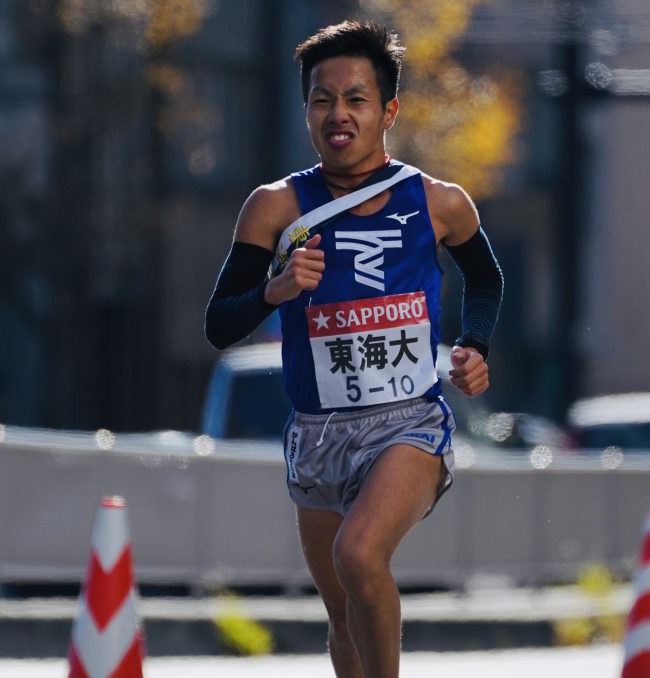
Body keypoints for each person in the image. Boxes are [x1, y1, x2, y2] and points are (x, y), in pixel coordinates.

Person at [205, 20, 503, 678]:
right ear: (306, 108)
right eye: (322, 98)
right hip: (317, 431)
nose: (338, 114)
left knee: (360, 554)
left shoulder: (438, 201)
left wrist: (475, 344)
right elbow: (220, 324)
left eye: (356, 99)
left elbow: (485, 278)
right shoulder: (274, 207)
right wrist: (276, 291)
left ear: (388, 109)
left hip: (408, 423)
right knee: (341, 613)